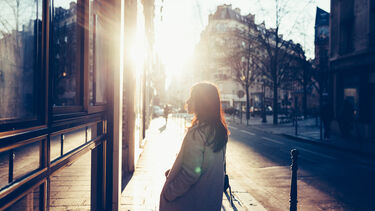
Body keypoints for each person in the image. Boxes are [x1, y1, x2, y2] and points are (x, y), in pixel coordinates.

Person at [159, 82, 229, 211]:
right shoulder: (218, 130)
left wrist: (169, 193)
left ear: (201, 102)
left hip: (192, 202)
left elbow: (190, 173)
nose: (187, 101)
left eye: (192, 97)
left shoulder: (198, 133)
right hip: (210, 201)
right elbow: (210, 165)